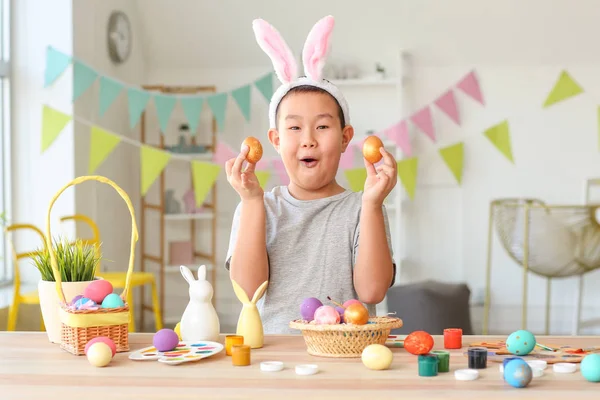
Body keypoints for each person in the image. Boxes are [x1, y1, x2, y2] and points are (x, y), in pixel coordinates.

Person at [224, 15, 397, 334]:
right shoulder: (260, 207)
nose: (308, 138)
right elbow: (249, 293)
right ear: (276, 140)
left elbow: (372, 292)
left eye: (322, 126)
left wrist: (372, 204)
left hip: (347, 355)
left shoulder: (364, 209)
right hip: (275, 359)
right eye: (294, 127)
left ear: (346, 138)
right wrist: (251, 202)